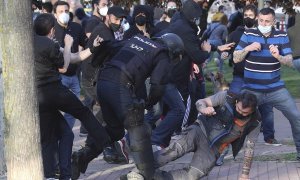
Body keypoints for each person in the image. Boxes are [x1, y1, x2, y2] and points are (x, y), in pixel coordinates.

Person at [72, 33, 185, 180]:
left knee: (115, 130)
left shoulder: (137, 39)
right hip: (119, 85)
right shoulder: (162, 53)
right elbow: (158, 86)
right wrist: (149, 103)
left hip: (103, 82)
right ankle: (146, 173)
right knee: (137, 126)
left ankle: (83, 156)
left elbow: (107, 46)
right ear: (172, 50)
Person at [33, 13, 111, 180]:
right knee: (83, 112)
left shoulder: (32, 42)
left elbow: (76, 58)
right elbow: (64, 67)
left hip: (39, 97)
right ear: (52, 30)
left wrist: (93, 47)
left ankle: (55, 176)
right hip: (54, 91)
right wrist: (68, 44)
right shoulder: (50, 44)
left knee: (61, 136)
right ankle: (106, 142)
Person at [144, 91, 260, 180]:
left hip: (214, 148)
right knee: (174, 150)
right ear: (236, 102)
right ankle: (140, 170)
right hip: (199, 131)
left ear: (253, 111)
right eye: (239, 108)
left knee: (194, 174)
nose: (240, 112)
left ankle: (156, 177)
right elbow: (200, 101)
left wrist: (245, 175)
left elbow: (250, 148)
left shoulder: (255, 122)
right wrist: (204, 109)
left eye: (245, 112)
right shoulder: (227, 96)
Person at [233, 7, 300, 160]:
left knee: (296, 117)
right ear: (257, 19)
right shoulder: (249, 34)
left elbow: (290, 62)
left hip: (275, 89)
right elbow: (236, 58)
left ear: (273, 21)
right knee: (236, 120)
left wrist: (278, 56)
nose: (264, 23)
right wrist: (248, 48)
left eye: (267, 21)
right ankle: (220, 154)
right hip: (251, 89)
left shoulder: (282, 35)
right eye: (261, 20)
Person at [53, 0, 87, 128]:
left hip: (74, 75)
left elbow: (85, 44)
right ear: (55, 14)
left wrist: (79, 55)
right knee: (55, 110)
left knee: (73, 110)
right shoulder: (51, 29)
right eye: (60, 11)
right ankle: (56, 136)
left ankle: (65, 134)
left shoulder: (76, 27)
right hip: (57, 77)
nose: (64, 14)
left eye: (66, 11)